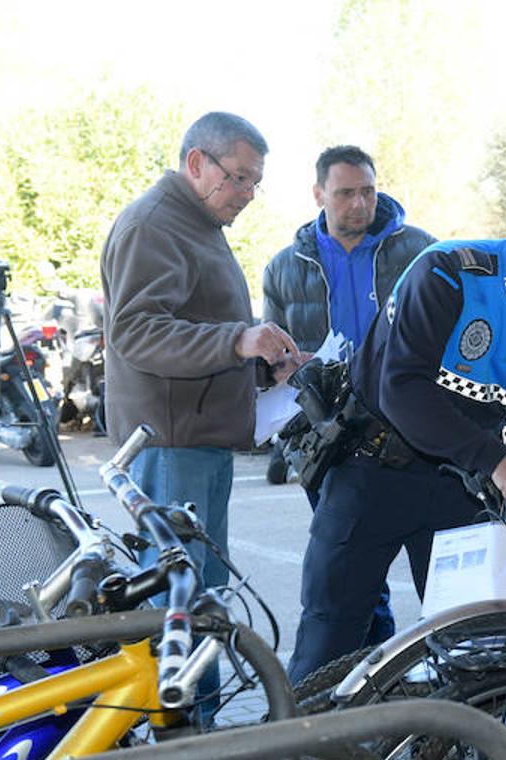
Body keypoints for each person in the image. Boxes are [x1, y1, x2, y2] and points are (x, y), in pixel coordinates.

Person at [286, 187, 506, 684]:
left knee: (470, 650)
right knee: (328, 644)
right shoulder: (449, 273)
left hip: (460, 489)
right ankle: (295, 759)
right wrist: (497, 461)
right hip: (372, 470)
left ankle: (442, 755)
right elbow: (401, 389)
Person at [101, 111, 308, 718]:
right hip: (171, 448)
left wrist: (261, 361)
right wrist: (238, 343)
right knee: (182, 608)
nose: (247, 194)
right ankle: (184, 757)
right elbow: (136, 332)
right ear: (197, 164)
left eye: (254, 182)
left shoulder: (193, 221)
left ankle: (197, 747)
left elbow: (194, 327)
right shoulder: (154, 224)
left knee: (197, 602)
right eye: (239, 178)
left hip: (194, 442)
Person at [262, 145, 437, 645]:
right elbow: (272, 354)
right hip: (331, 443)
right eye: (344, 194)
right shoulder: (284, 268)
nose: (358, 204)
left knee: (438, 573)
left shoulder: (422, 251)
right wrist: (285, 368)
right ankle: (373, 671)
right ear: (319, 194)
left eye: (368, 191)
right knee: (353, 579)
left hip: (413, 439)